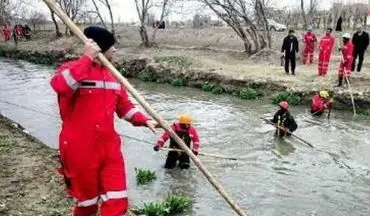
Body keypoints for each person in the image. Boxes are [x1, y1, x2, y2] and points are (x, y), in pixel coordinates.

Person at [50, 26, 158, 216]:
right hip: (79, 149)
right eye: (111, 46)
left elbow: (124, 107)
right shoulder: (71, 68)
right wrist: (86, 59)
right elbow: (61, 86)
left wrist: (144, 120)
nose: (115, 50)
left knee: (118, 201)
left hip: (109, 148)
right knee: (87, 204)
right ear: (100, 48)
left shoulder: (114, 76)